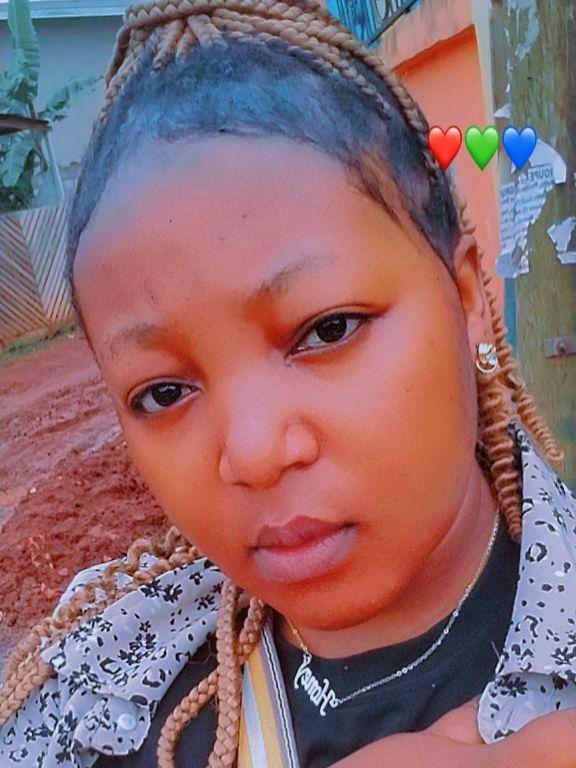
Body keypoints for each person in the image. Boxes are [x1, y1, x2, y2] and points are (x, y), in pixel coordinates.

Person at [1, 0, 575, 766]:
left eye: (328, 329)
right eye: (164, 393)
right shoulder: (96, 696)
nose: (253, 453)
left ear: (466, 296)